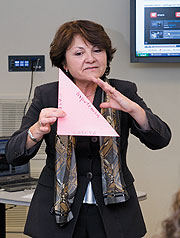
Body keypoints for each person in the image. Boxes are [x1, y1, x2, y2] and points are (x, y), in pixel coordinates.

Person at [5, 20, 171, 238]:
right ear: (64, 62)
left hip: (114, 213)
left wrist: (134, 110)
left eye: (97, 50)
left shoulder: (122, 90)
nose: (90, 59)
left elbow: (161, 139)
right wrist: (37, 130)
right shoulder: (47, 95)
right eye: (79, 53)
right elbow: (13, 154)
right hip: (57, 214)